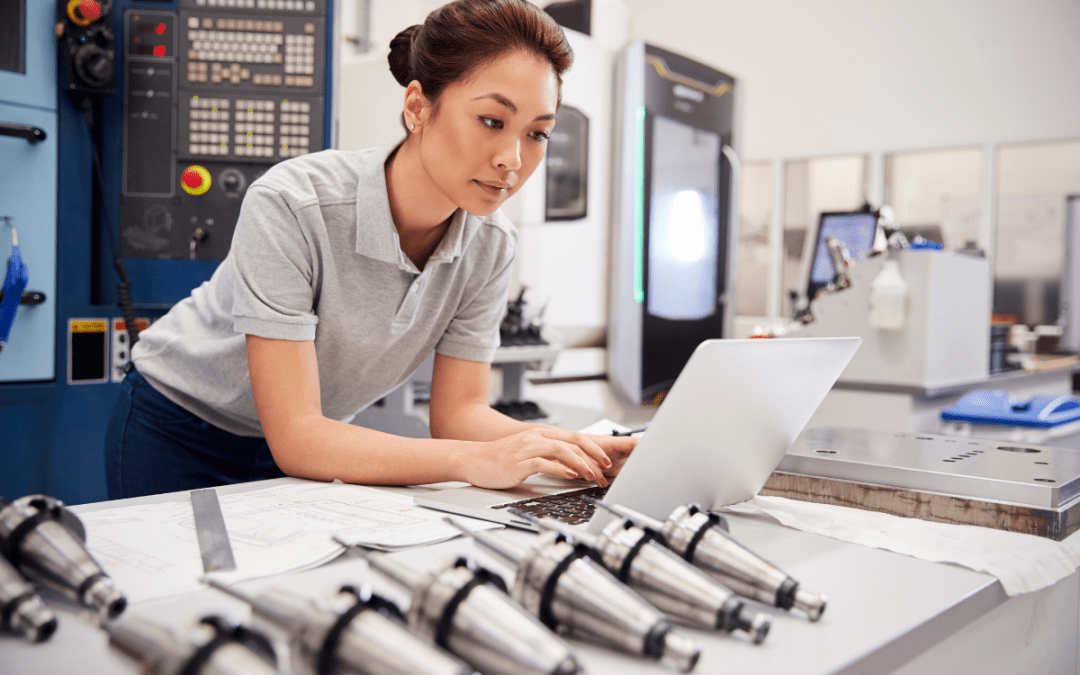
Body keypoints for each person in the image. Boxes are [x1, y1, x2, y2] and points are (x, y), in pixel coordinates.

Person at [104, 0, 636, 500]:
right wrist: (469, 462)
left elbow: (460, 413)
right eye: (492, 121)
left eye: (537, 134)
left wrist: (569, 449)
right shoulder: (293, 203)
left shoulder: (491, 244)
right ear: (417, 106)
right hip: (180, 425)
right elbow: (297, 437)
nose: (512, 160)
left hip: (319, 443)